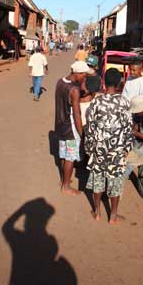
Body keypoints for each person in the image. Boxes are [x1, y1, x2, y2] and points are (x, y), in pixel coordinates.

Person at [85, 68, 133, 224]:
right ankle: (113, 216)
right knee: (115, 183)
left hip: (99, 149)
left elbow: (90, 127)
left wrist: (89, 148)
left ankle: (97, 212)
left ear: (104, 82)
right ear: (119, 83)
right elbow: (128, 129)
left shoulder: (97, 102)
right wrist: (127, 149)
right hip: (117, 151)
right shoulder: (125, 103)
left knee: (98, 181)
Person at [55, 60, 91, 195]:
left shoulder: (60, 81)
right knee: (70, 157)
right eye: (84, 75)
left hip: (60, 124)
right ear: (77, 73)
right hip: (70, 128)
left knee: (63, 154)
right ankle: (65, 186)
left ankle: (64, 179)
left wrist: (81, 83)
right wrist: (81, 132)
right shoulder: (74, 90)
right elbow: (77, 114)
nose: (85, 77)